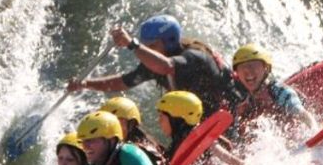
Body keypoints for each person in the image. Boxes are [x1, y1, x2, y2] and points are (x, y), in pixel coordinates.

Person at [67, 15, 242, 119]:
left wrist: (131, 44)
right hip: (198, 118)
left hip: (227, 113)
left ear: (169, 42)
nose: (146, 50)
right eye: (145, 45)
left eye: (152, 45)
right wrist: (85, 84)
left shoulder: (195, 57)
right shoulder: (153, 64)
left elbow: (167, 67)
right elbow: (123, 83)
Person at [156, 91, 247, 165]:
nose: (158, 121)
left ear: (175, 118)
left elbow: (229, 159)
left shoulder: (201, 138)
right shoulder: (177, 144)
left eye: (162, 116)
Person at [231, 43, 317, 144]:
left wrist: (314, 133)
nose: (248, 72)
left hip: (299, 140)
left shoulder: (279, 91)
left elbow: (302, 114)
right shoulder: (244, 108)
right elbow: (238, 142)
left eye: (253, 66)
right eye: (242, 68)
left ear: (266, 68)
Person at [99, 96, 166, 165]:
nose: (112, 127)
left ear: (132, 123)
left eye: (118, 121)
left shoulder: (140, 151)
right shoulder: (125, 146)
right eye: (106, 124)